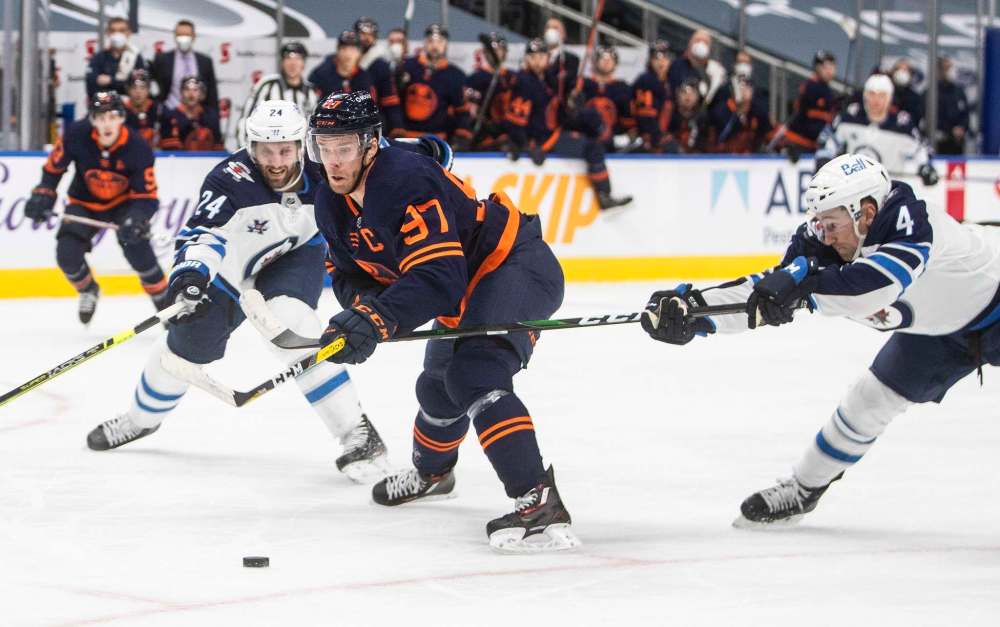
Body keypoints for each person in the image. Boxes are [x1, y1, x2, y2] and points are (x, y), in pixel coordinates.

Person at [640, 153, 1000, 527]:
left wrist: (803, 287)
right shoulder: (821, 241)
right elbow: (766, 293)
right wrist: (696, 311)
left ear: (867, 213)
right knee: (869, 400)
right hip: (938, 331)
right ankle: (803, 491)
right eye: (820, 223)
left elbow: (873, 289)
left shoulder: (909, 221)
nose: (825, 235)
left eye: (833, 224)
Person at [307, 90, 579, 553]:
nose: (333, 161)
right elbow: (349, 275)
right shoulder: (330, 202)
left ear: (371, 145)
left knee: (475, 373)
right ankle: (434, 475)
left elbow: (439, 278)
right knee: (436, 387)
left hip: (512, 265)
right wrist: (362, 313)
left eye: (344, 147)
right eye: (324, 147)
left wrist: (378, 317)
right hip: (467, 284)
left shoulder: (404, 180)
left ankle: (539, 503)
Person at [83, 100, 391, 486]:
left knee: (294, 326)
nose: (276, 162)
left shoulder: (324, 164)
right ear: (250, 146)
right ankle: (139, 420)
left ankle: (357, 434)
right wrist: (192, 274)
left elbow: (382, 154)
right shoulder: (229, 179)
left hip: (295, 255)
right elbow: (203, 234)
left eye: (285, 150)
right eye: (265, 150)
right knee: (183, 349)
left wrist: (428, 155)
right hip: (229, 268)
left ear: (302, 145)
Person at [23, 92, 168, 323]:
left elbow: (147, 197)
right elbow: (52, 170)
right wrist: (43, 194)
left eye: (112, 117)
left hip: (123, 206)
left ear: (121, 118)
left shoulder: (138, 147)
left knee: (140, 254)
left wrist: (137, 218)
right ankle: (88, 289)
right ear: (92, 120)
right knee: (67, 255)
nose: (106, 124)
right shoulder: (76, 134)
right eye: (100, 118)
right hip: (84, 203)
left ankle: (168, 308)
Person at [504, 38, 632, 210]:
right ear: (526, 59)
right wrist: (526, 146)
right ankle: (604, 195)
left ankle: (613, 146)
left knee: (590, 123)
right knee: (593, 148)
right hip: (543, 141)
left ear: (547, 58)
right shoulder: (525, 82)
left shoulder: (547, 80)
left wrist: (571, 103)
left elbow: (568, 73)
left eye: (541, 57)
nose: (537, 61)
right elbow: (515, 121)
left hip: (552, 134)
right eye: (533, 57)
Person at [816, 73, 937, 186]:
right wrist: (824, 160)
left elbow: (922, 149)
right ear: (865, 96)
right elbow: (828, 139)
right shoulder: (850, 116)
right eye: (871, 94)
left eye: (882, 96)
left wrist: (925, 167)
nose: (876, 101)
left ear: (889, 98)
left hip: (889, 190)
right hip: (855, 189)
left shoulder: (902, 125)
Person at [397, 24, 471, 144]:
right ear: (424, 43)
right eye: (431, 41)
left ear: (446, 45)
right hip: (406, 138)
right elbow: (394, 102)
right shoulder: (407, 66)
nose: (435, 46)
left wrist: (461, 136)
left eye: (440, 42)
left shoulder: (455, 75)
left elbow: (461, 110)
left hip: (436, 140)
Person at [237, 41, 318, 146]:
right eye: (288, 58)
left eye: (298, 58)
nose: (293, 63)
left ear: (303, 63)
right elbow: (247, 119)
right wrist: (245, 148)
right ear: (282, 62)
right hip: (267, 148)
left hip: (298, 151)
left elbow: (313, 128)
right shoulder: (267, 86)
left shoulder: (310, 92)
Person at [781, 50, 838, 158]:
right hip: (797, 142)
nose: (829, 70)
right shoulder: (810, 87)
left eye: (832, 66)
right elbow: (800, 114)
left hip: (811, 146)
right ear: (817, 68)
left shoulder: (827, 91)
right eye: (825, 67)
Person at [152, 20, 219, 111]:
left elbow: (212, 94)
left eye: (187, 35)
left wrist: (212, 117)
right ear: (175, 36)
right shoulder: (162, 59)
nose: (183, 39)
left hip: (197, 114)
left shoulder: (205, 61)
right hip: (170, 112)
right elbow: (150, 86)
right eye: (180, 35)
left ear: (194, 37)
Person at [463, 31, 514, 150]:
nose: (496, 53)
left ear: (505, 52)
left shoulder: (513, 78)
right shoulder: (476, 78)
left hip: (509, 136)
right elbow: (470, 110)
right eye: (493, 50)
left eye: (499, 50)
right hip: (484, 137)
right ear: (485, 53)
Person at [354, 17, 404, 136]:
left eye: (370, 35)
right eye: (362, 34)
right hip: (344, 120)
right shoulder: (343, 62)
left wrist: (397, 126)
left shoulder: (380, 65)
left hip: (371, 122)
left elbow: (390, 99)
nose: (366, 38)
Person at [580, 45, 634, 150]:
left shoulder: (623, 88)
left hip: (614, 143)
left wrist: (626, 138)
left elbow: (629, 121)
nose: (607, 62)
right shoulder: (583, 85)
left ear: (616, 63)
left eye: (611, 59)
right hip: (586, 141)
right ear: (595, 61)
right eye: (603, 58)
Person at [85, 16, 147, 98]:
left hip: (130, 104)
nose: (117, 34)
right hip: (105, 103)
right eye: (113, 30)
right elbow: (91, 87)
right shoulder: (98, 58)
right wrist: (124, 83)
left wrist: (111, 81)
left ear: (129, 33)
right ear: (108, 33)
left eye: (122, 30)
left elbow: (140, 88)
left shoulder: (135, 57)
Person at [159, 76, 224, 151]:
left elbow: (218, 147)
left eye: (195, 90)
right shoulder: (170, 117)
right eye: (187, 89)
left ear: (201, 93)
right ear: (181, 93)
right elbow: (170, 151)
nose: (191, 94)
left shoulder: (211, 116)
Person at [308, 30, 375, 103]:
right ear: (338, 51)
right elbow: (311, 103)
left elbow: (370, 105)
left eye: (353, 50)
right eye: (344, 49)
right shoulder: (320, 75)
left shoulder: (364, 78)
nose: (348, 54)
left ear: (360, 53)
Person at [631, 39, 673, 152]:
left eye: (665, 57)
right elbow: (645, 116)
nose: (661, 62)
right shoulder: (645, 81)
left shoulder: (672, 81)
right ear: (650, 60)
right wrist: (656, 138)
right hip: (648, 139)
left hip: (667, 135)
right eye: (656, 58)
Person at [666, 29, 726, 105]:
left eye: (705, 42)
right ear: (690, 43)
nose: (701, 44)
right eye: (697, 40)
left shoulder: (713, 71)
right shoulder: (677, 65)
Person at [542, 17, 580, 108]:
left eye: (555, 28)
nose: (551, 31)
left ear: (563, 34)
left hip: (559, 107)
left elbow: (565, 84)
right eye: (548, 27)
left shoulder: (571, 59)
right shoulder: (534, 56)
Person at [936, 56, 970, 155]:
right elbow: (933, 117)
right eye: (947, 68)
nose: (951, 71)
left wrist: (962, 127)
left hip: (957, 142)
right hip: (940, 142)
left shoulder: (959, 91)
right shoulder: (932, 92)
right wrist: (951, 130)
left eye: (951, 67)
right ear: (939, 71)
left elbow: (965, 113)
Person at [123, 69, 163, 148]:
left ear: (148, 90)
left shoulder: (159, 110)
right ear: (128, 90)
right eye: (134, 87)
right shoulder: (121, 111)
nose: (138, 92)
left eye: (142, 87)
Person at [666, 78, 708, 153]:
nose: (688, 97)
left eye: (692, 93)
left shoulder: (703, 118)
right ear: (678, 94)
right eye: (684, 92)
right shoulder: (670, 115)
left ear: (698, 96)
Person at [888, 58, 923, 128]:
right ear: (893, 72)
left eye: (905, 70)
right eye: (899, 69)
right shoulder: (885, 93)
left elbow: (915, 121)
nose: (902, 73)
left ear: (911, 74)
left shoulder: (915, 98)